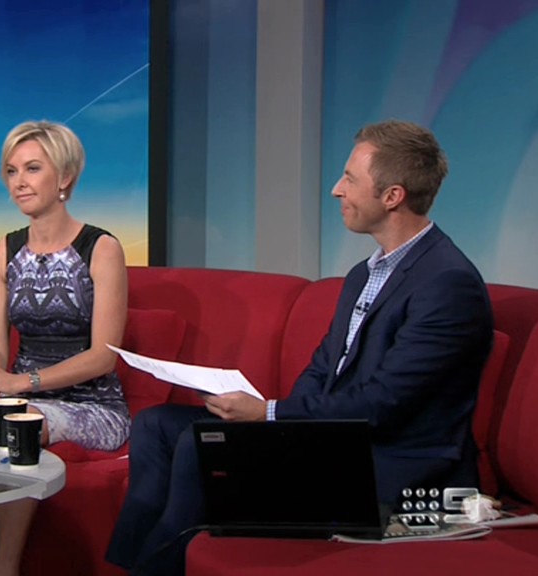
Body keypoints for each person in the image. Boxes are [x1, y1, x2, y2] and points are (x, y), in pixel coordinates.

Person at [105, 120, 494, 575]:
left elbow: (385, 403)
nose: (336, 190)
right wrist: (277, 424)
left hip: (392, 468)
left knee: (203, 443)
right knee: (156, 425)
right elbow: (324, 368)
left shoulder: (447, 284)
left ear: (392, 196)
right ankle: (129, 567)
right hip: (335, 445)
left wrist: (269, 415)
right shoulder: (365, 275)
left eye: (349, 179)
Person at [0, 120, 131, 575]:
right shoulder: (4, 252)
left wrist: (19, 383)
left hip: (92, 405)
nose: (19, 182)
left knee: (16, 425)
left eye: (32, 169)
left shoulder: (101, 248)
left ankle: (3, 564)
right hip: (16, 397)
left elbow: (104, 356)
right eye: (12, 171)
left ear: (65, 176)